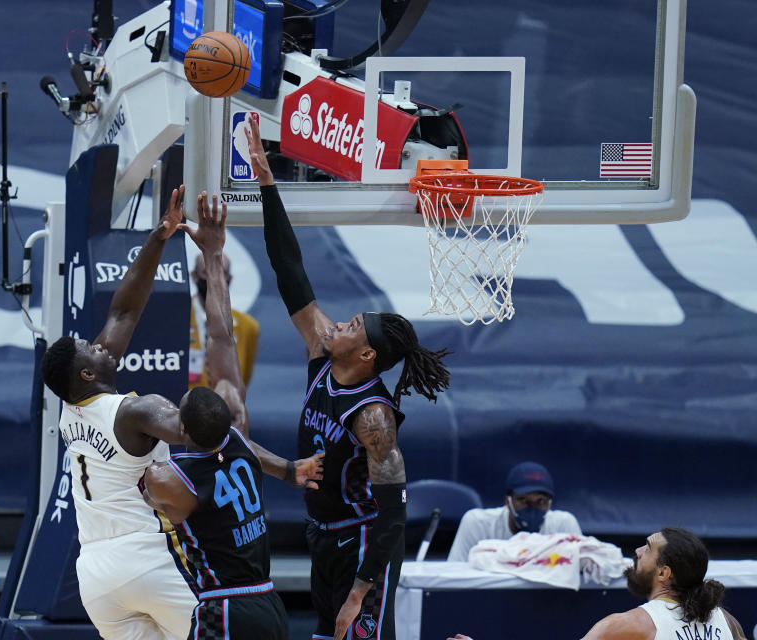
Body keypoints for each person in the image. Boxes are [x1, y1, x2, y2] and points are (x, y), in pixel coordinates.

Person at [40, 187, 321, 640]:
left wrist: (161, 235)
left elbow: (125, 309)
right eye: (90, 349)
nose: (98, 344)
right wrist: (212, 258)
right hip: (149, 558)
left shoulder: (74, 403)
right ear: (88, 375)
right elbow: (216, 434)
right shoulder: (137, 410)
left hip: (94, 574)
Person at [244, 116, 452, 640]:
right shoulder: (321, 350)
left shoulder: (375, 416)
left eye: (352, 325)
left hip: (364, 548)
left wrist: (362, 591)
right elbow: (289, 268)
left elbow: (392, 518)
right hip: (324, 535)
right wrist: (269, 185)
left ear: (365, 355)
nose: (338, 322)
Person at [144, 195, 317, 639]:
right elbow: (222, 335)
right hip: (268, 602)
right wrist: (214, 255)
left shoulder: (172, 476)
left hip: (224, 608)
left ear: (180, 429)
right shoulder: (237, 434)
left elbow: (141, 489)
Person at [446, 527, 748, 640]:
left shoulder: (630, 624)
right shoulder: (728, 622)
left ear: (663, 573)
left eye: (647, 548)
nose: (637, 551)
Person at [447, 461, 581, 562]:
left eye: (540, 501)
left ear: (550, 503)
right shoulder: (478, 524)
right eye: (523, 500)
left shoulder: (564, 526)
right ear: (507, 501)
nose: (532, 507)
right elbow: (454, 575)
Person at [188, 251, 260, 390]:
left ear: (230, 279)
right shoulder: (176, 320)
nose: (214, 278)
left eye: (221, 272)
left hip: (226, 408)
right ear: (194, 276)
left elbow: (243, 380)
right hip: (183, 408)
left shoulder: (248, 327)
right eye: (207, 271)